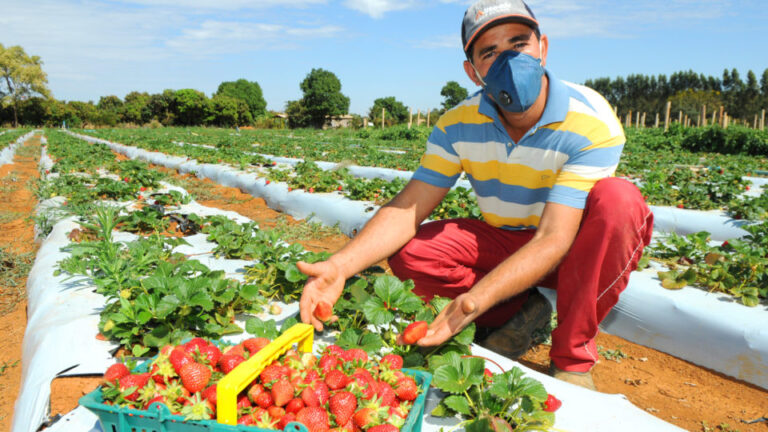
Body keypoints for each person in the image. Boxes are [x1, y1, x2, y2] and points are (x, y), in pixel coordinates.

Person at [297, 0, 653, 391]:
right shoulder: (457, 124)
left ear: (543, 48)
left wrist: (475, 299)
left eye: (519, 44)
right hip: (508, 239)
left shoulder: (590, 119)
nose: (510, 61)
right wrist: (341, 266)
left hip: (576, 246)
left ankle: (573, 356)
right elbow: (407, 208)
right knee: (414, 253)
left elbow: (554, 238)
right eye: (490, 52)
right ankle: (520, 312)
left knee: (620, 201)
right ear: (473, 71)